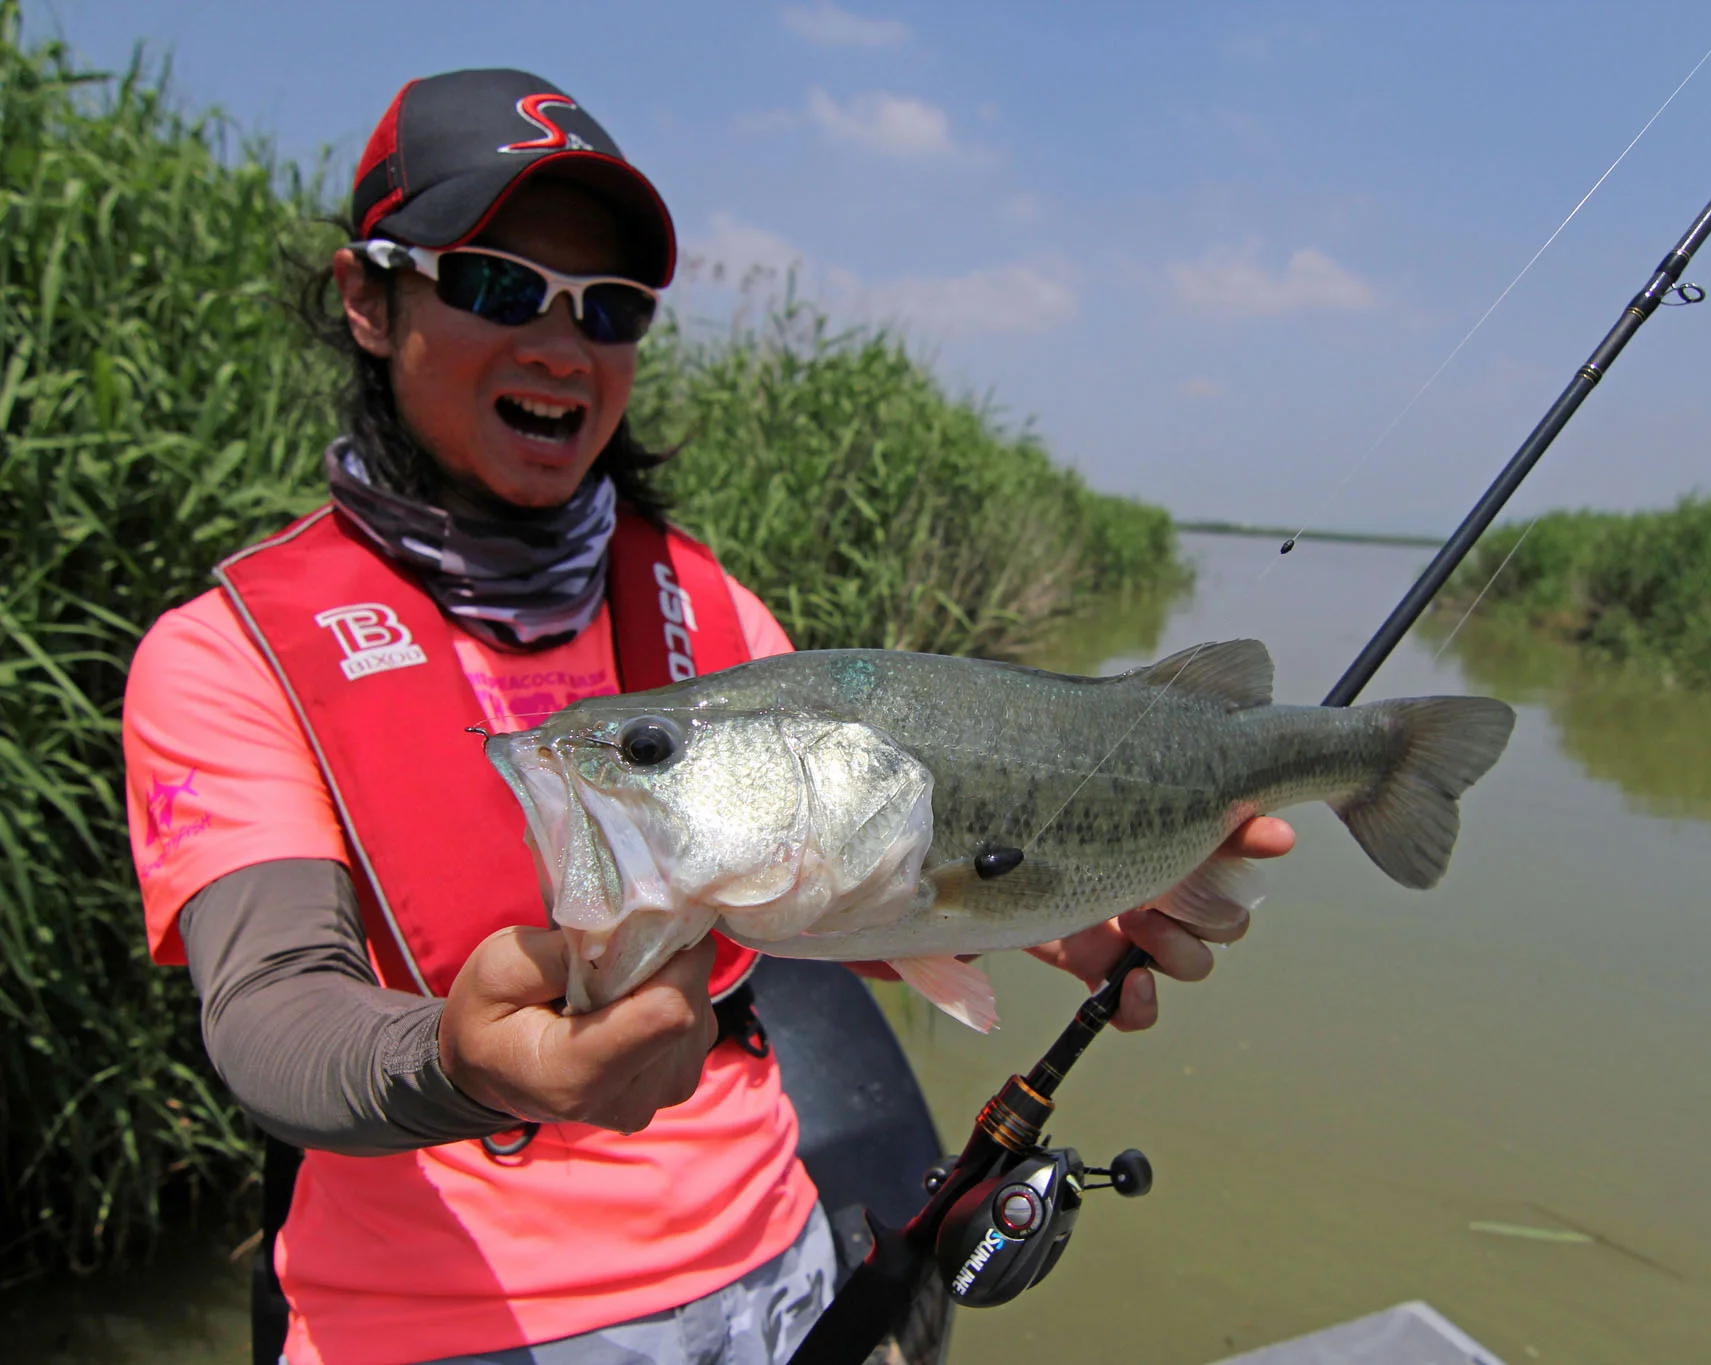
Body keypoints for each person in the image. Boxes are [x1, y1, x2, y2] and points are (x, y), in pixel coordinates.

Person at [121, 68, 1293, 1365]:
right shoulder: (227, 656)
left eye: (610, 309)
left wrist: (1032, 906)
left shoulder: (710, 613)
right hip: (444, 1328)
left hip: (782, 1262)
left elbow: (829, 875)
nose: (563, 346)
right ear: (365, 294)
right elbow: (276, 1019)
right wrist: (459, 1065)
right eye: (499, 286)